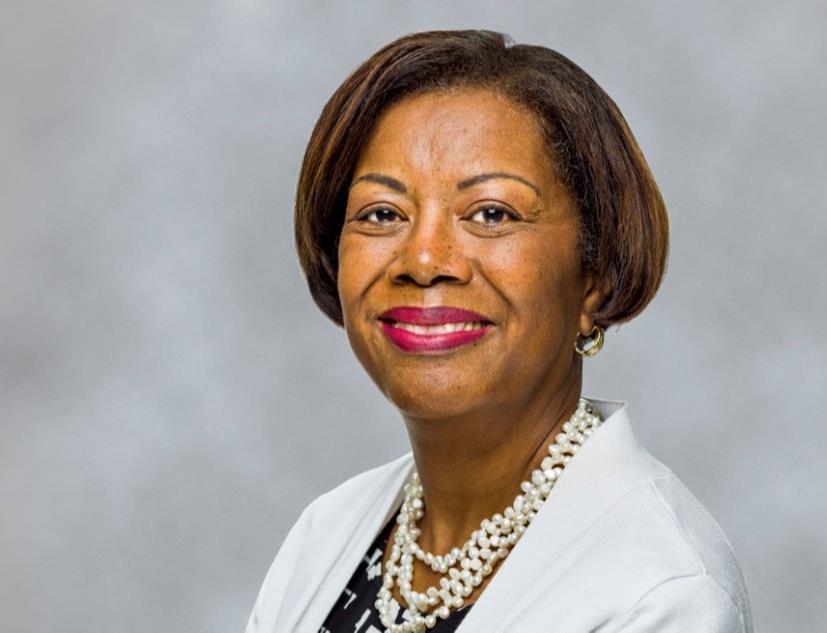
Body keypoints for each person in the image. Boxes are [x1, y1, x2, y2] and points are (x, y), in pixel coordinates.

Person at [245, 29, 752, 633]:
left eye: (491, 213)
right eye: (382, 214)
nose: (423, 259)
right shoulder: (323, 536)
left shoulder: (661, 592)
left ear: (595, 277)